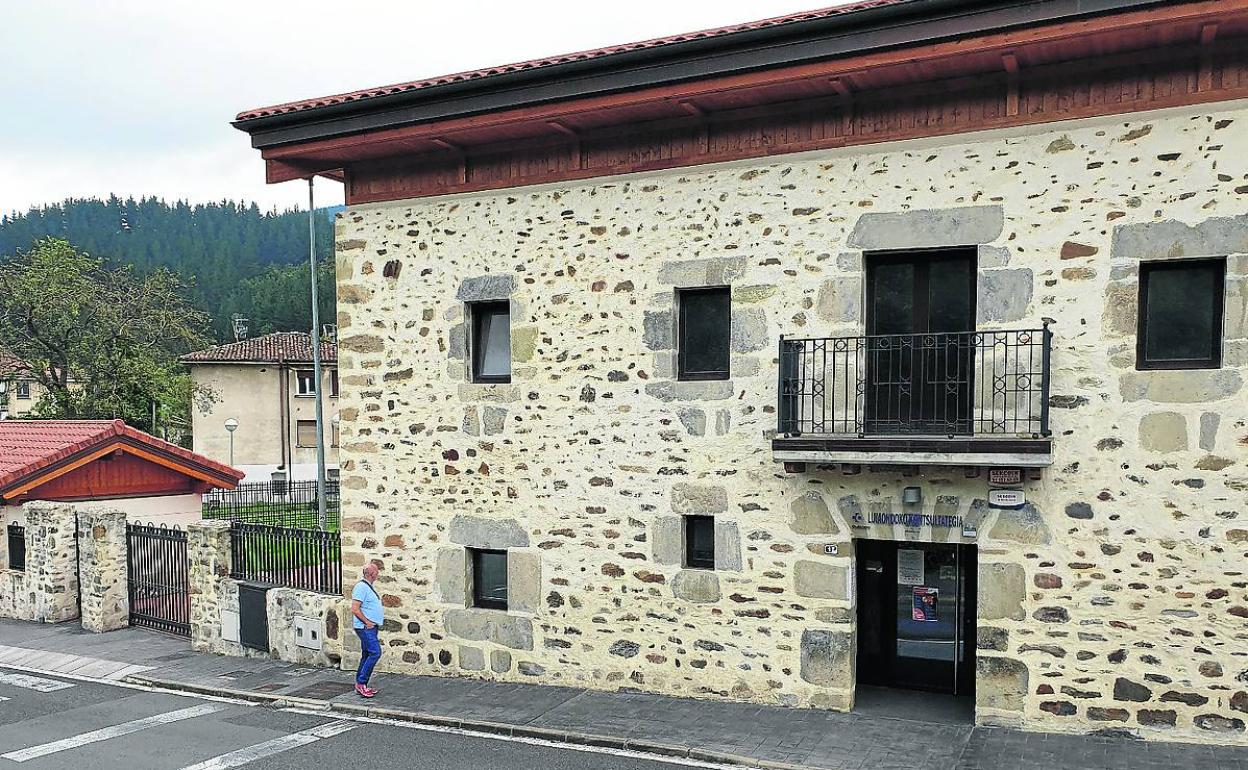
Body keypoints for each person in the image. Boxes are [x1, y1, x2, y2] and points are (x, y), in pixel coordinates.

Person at [350, 563, 384, 698]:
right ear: (372, 574)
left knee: (367, 654)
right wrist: (367, 622)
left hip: (369, 627)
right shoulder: (361, 587)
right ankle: (361, 682)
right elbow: (355, 608)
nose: (378, 573)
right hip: (365, 627)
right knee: (375, 652)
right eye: (376, 571)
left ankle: (360, 684)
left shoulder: (367, 587)